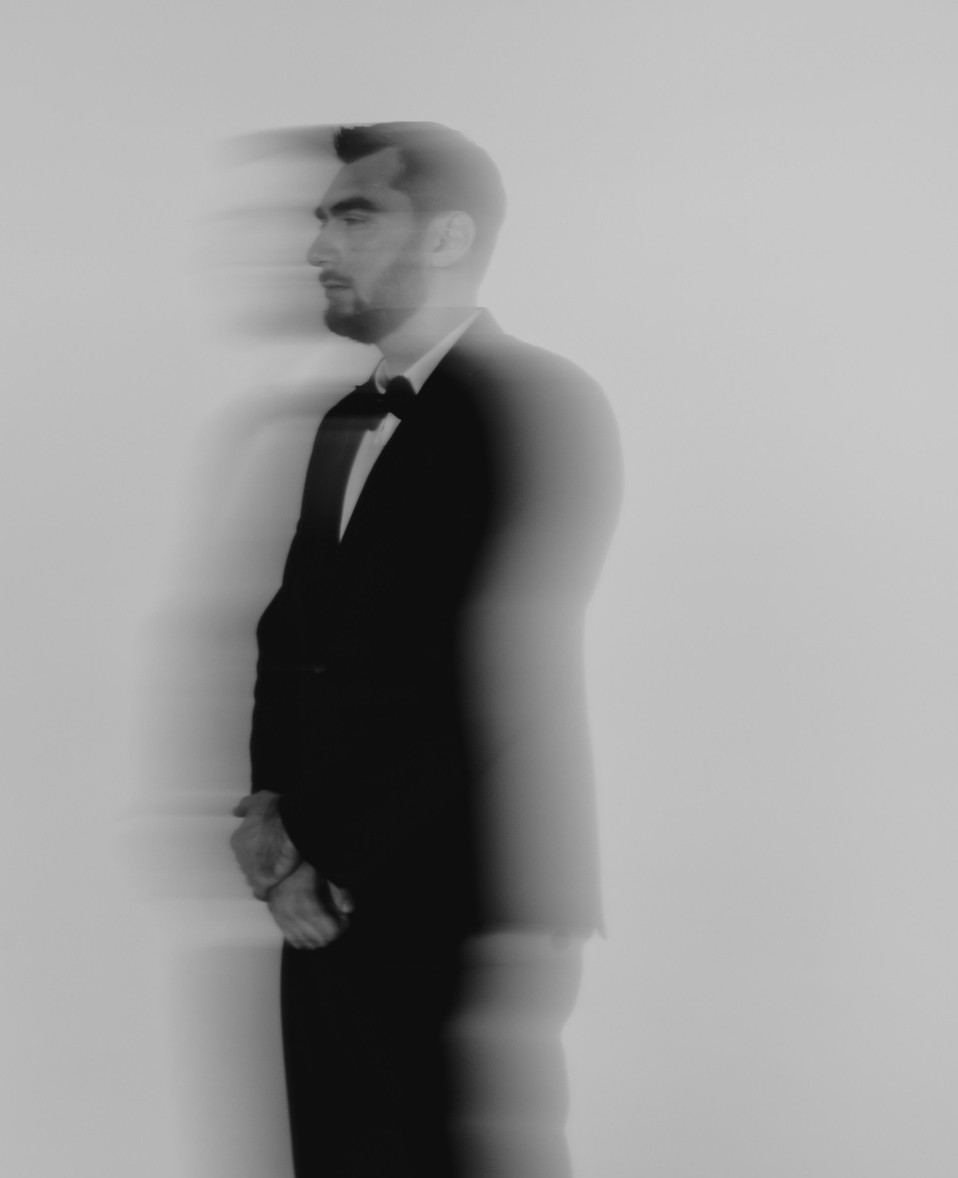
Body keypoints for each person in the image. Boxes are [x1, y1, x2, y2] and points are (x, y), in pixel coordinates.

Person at [228, 124, 621, 1176]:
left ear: (447, 237)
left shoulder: (543, 401)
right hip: (325, 889)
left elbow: (498, 673)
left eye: (354, 215)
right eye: (321, 218)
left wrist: (328, 858)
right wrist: (268, 809)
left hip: (468, 891)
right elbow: (291, 633)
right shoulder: (343, 422)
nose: (318, 245)